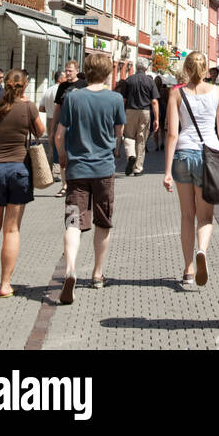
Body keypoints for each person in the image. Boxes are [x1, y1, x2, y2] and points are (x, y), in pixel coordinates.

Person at [55, 51, 126, 303]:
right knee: (103, 222)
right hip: (104, 170)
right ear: (107, 73)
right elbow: (119, 131)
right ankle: (97, 274)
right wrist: (115, 148)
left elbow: (58, 135)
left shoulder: (72, 98)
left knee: (73, 222)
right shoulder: (115, 99)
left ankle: (71, 269)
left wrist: (63, 158)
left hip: (77, 170)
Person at [0, 69, 43, 297]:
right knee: (11, 230)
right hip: (18, 171)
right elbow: (41, 131)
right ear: (23, 87)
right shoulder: (28, 107)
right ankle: (4, 285)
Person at [163, 52, 219, 290]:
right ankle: (202, 250)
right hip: (208, 156)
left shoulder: (176, 93)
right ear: (206, 70)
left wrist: (167, 171)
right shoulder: (218, 92)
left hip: (183, 154)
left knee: (186, 215)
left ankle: (188, 269)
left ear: (187, 69)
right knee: (205, 217)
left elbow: (171, 133)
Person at [50, 61, 87, 197]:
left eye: (70, 70)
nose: (68, 73)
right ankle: (65, 185)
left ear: (77, 71)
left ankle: (77, 184)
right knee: (62, 155)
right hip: (64, 124)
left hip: (79, 125)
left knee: (78, 154)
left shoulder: (84, 85)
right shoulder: (62, 86)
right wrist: (53, 127)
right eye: (66, 70)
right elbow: (57, 107)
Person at [121, 58, 159, 176]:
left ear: (137, 67)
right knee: (141, 139)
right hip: (144, 111)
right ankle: (138, 168)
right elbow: (154, 101)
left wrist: (121, 113)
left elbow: (123, 99)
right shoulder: (150, 82)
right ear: (146, 68)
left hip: (130, 111)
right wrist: (156, 118)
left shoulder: (128, 80)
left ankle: (131, 156)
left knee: (128, 136)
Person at [41, 69, 64, 181]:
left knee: (51, 145)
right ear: (60, 78)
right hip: (59, 119)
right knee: (59, 144)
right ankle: (57, 171)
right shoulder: (61, 90)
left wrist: (49, 110)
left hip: (49, 119)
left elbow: (41, 108)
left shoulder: (48, 90)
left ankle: (49, 171)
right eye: (64, 76)